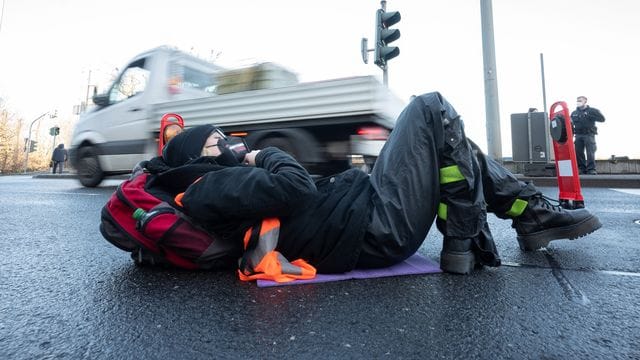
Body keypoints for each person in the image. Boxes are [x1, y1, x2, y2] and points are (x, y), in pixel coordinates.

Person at [144, 92, 602, 275]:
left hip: (369, 214)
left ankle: (525, 215)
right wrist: (267, 153)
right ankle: (473, 234)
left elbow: (296, 196)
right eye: (216, 141)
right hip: (376, 226)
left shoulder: (219, 184)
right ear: (195, 160)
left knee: (449, 142)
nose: (230, 143)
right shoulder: (206, 189)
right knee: (430, 108)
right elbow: (298, 189)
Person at [571, 96, 605, 175]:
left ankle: (591, 169)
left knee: (590, 152)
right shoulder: (574, 113)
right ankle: (581, 169)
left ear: (585, 101)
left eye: (580, 100)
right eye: (577, 100)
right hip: (578, 135)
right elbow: (571, 124)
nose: (578, 102)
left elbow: (602, 119)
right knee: (578, 152)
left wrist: (589, 116)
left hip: (589, 134)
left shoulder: (592, 110)